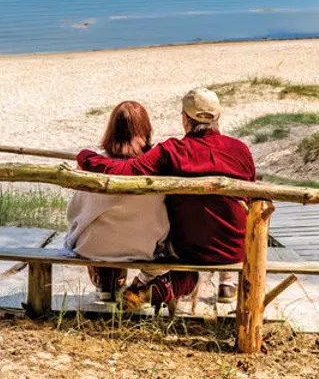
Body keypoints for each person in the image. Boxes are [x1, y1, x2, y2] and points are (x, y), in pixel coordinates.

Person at [75, 87, 255, 313]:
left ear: (184, 119)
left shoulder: (173, 151)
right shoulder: (240, 150)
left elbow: (125, 169)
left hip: (189, 250)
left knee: (175, 246)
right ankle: (226, 281)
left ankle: (141, 287)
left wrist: (86, 157)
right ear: (218, 117)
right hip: (235, 249)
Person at [62, 101, 170, 298]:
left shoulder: (96, 164)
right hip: (142, 248)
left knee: (97, 230)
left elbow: (75, 213)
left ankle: (105, 280)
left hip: (94, 247)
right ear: (145, 131)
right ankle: (128, 282)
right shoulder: (155, 167)